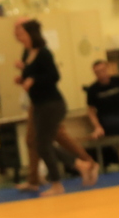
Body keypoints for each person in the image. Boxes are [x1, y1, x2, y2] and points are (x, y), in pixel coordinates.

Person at [18, 19, 98, 197]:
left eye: (22, 33)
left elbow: (53, 76)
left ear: (31, 34)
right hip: (39, 104)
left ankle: (57, 183)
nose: (19, 36)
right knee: (41, 145)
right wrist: (23, 79)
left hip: (52, 104)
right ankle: (81, 165)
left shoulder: (44, 53)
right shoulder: (27, 53)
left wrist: (34, 80)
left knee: (43, 145)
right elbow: (30, 75)